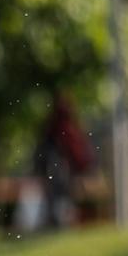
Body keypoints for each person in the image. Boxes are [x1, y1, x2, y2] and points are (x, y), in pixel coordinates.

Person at [32, 90, 93, 230]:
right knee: (60, 199)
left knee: (58, 200)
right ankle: (59, 222)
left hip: (60, 171)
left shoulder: (57, 126)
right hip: (61, 171)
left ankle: (58, 222)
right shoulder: (65, 126)